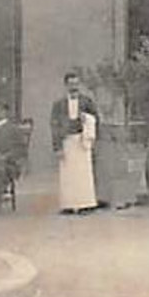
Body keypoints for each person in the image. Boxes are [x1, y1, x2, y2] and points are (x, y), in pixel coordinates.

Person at [50, 71, 99, 215]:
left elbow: (96, 118)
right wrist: (57, 146)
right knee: (68, 175)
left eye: (76, 84)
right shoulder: (59, 105)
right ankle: (68, 205)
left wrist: (87, 119)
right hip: (67, 140)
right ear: (65, 85)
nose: (74, 87)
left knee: (84, 174)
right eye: (71, 84)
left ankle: (86, 204)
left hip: (82, 140)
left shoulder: (87, 102)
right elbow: (54, 125)